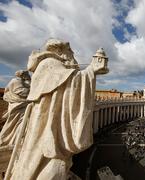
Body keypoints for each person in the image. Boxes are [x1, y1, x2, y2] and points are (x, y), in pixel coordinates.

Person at [8, 38, 109, 180]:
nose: (72, 56)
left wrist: (89, 71)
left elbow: (67, 81)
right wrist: (91, 70)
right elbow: (70, 82)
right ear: (61, 51)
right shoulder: (49, 63)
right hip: (45, 126)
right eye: (70, 52)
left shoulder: (53, 65)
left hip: (47, 121)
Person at [0, 70, 30, 147]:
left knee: (18, 124)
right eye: (27, 74)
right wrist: (33, 91)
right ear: (23, 75)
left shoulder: (20, 81)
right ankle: (7, 140)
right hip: (18, 106)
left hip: (20, 105)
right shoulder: (17, 81)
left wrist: (29, 82)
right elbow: (21, 91)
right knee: (15, 124)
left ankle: (16, 140)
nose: (28, 75)